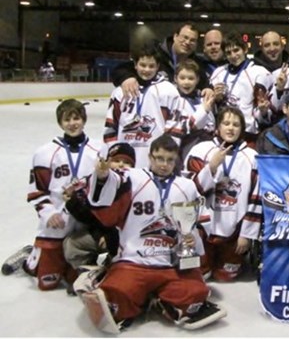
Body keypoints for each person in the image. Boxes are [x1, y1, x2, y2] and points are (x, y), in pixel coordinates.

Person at [83, 134, 226, 332]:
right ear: (150, 157)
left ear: (176, 161)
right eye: (159, 158)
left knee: (196, 292)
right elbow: (109, 187)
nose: (164, 164)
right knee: (117, 293)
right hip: (134, 261)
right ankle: (104, 276)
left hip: (169, 264)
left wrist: (192, 239)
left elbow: (198, 222)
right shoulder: (132, 178)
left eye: (169, 160)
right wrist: (101, 175)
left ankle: (157, 301)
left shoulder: (186, 186)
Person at [23, 99, 104, 291]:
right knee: (47, 284)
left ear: (84, 120)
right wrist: (49, 213)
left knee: (76, 283)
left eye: (76, 118)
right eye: (67, 120)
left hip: (83, 223)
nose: (72, 123)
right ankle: (30, 260)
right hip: (57, 224)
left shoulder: (98, 150)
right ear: (60, 123)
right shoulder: (45, 153)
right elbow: (37, 191)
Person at [184, 107, 261, 281]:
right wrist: (211, 167)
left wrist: (247, 234)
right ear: (217, 127)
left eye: (236, 124)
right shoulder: (200, 150)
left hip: (235, 231)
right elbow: (189, 191)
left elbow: (256, 199)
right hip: (203, 229)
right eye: (226, 123)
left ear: (242, 129)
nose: (231, 128)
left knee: (225, 276)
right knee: (200, 275)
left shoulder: (252, 157)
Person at [62, 142, 136, 274]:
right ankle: (87, 271)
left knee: (121, 264)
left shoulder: (135, 186)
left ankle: (113, 265)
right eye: (116, 160)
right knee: (72, 244)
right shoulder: (92, 182)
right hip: (101, 234)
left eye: (127, 162)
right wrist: (72, 202)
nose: (121, 165)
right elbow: (89, 217)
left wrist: (110, 237)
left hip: (126, 239)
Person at [104, 45, 179, 168]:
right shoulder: (120, 92)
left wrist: (167, 156)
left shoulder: (169, 91)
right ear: (135, 65)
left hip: (156, 160)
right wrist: (112, 152)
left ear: (158, 66)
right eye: (143, 65)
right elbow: (110, 127)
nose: (147, 69)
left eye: (151, 66)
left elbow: (175, 127)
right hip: (124, 161)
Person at [210, 32, 274, 147]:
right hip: (222, 132)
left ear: (244, 49)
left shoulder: (259, 73)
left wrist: (263, 111)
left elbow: (263, 109)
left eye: (236, 50)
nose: (233, 55)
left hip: (248, 134)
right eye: (228, 53)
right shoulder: (218, 73)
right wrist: (217, 99)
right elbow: (210, 108)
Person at [112, 23, 209, 98]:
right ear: (175, 36)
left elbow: (204, 83)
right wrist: (127, 78)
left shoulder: (197, 64)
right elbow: (120, 70)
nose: (187, 42)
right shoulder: (156, 54)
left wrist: (209, 89)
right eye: (185, 37)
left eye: (192, 40)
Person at [166, 59, 217, 164]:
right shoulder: (174, 100)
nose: (186, 82)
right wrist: (203, 111)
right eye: (182, 78)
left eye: (191, 78)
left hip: (206, 150)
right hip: (184, 151)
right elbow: (177, 130)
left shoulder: (203, 98)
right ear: (175, 78)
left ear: (197, 79)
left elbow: (211, 125)